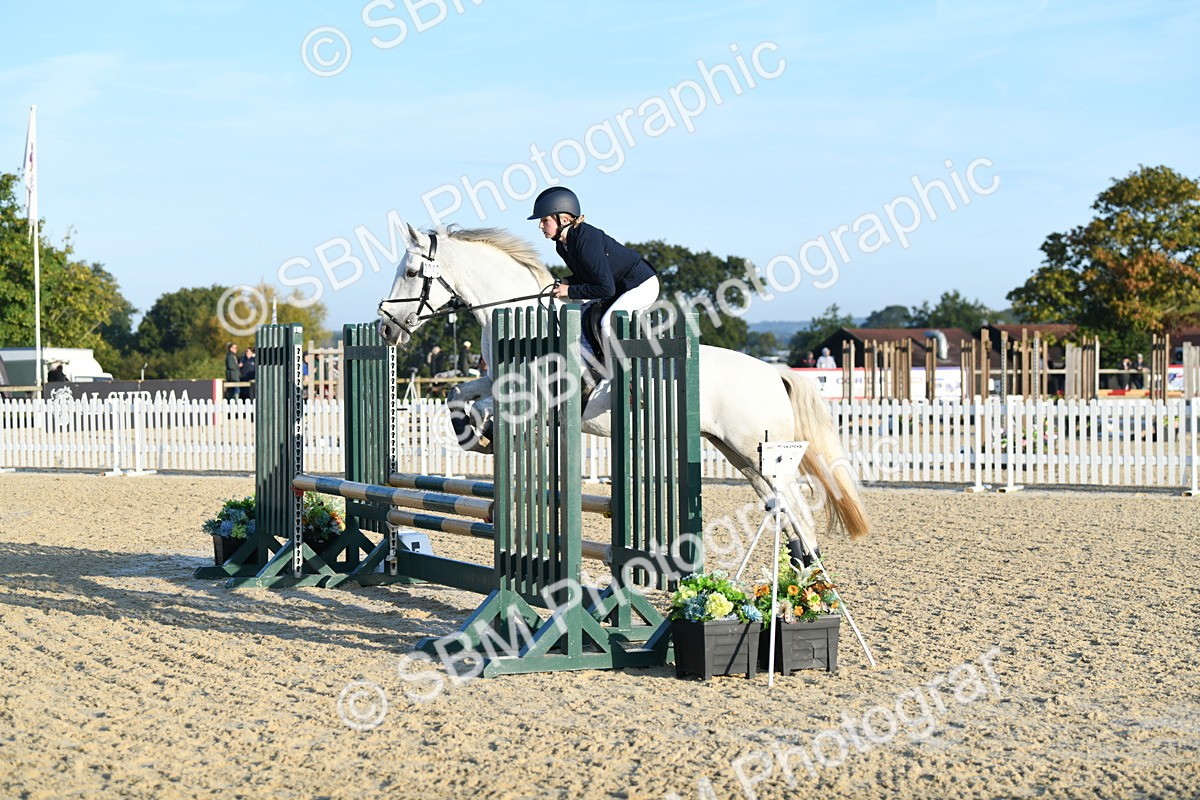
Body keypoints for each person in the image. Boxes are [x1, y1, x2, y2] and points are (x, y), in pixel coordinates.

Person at [530, 186, 660, 371]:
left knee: (607, 324)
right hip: (619, 286)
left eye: (544, 220)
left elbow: (605, 288)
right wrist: (568, 281)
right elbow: (587, 276)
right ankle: (595, 369)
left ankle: (626, 380)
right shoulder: (562, 245)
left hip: (640, 285)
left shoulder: (585, 241)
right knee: (585, 315)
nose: (540, 226)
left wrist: (570, 290)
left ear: (564, 219)